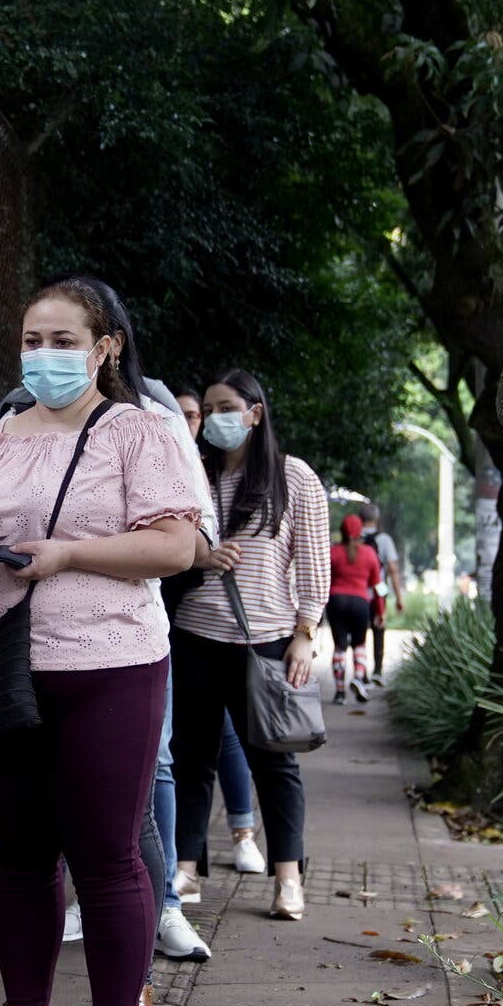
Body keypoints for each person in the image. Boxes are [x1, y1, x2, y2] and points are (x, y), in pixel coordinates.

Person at [0, 276, 203, 1006]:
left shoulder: (136, 432)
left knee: (109, 858)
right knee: (17, 860)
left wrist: (65, 555)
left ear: (104, 347)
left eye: (62, 342)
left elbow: (176, 548)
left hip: (108, 664)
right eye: (32, 341)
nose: (43, 356)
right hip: (1, 663)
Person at [170, 369, 329, 921]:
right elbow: (167, 547)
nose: (214, 419)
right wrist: (199, 555)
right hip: (194, 637)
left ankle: (288, 879)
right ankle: (184, 870)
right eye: (208, 409)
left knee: (275, 762)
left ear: (255, 413)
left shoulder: (294, 478)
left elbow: (313, 566)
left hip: (265, 644)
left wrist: (305, 637)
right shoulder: (192, 472)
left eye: (225, 407)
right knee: (191, 762)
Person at [327, 512, 384, 703]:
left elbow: (323, 580)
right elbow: (378, 586)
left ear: (342, 532)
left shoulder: (333, 552)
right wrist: (380, 611)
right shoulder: (369, 553)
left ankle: (340, 693)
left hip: (336, 601)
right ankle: (358, 679)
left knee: (340, 646)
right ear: (361, 532)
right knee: (359, 644)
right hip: (360, 603)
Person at [359, 504, 405, 684]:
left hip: (359, 590)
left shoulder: (353, 537)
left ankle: (360, 671)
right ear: (376, 519)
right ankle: (378, 671)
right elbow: (393, 569)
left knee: (359, 632)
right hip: (379, 590)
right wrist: (399, 598)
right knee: (379, 627)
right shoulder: (384, 539)